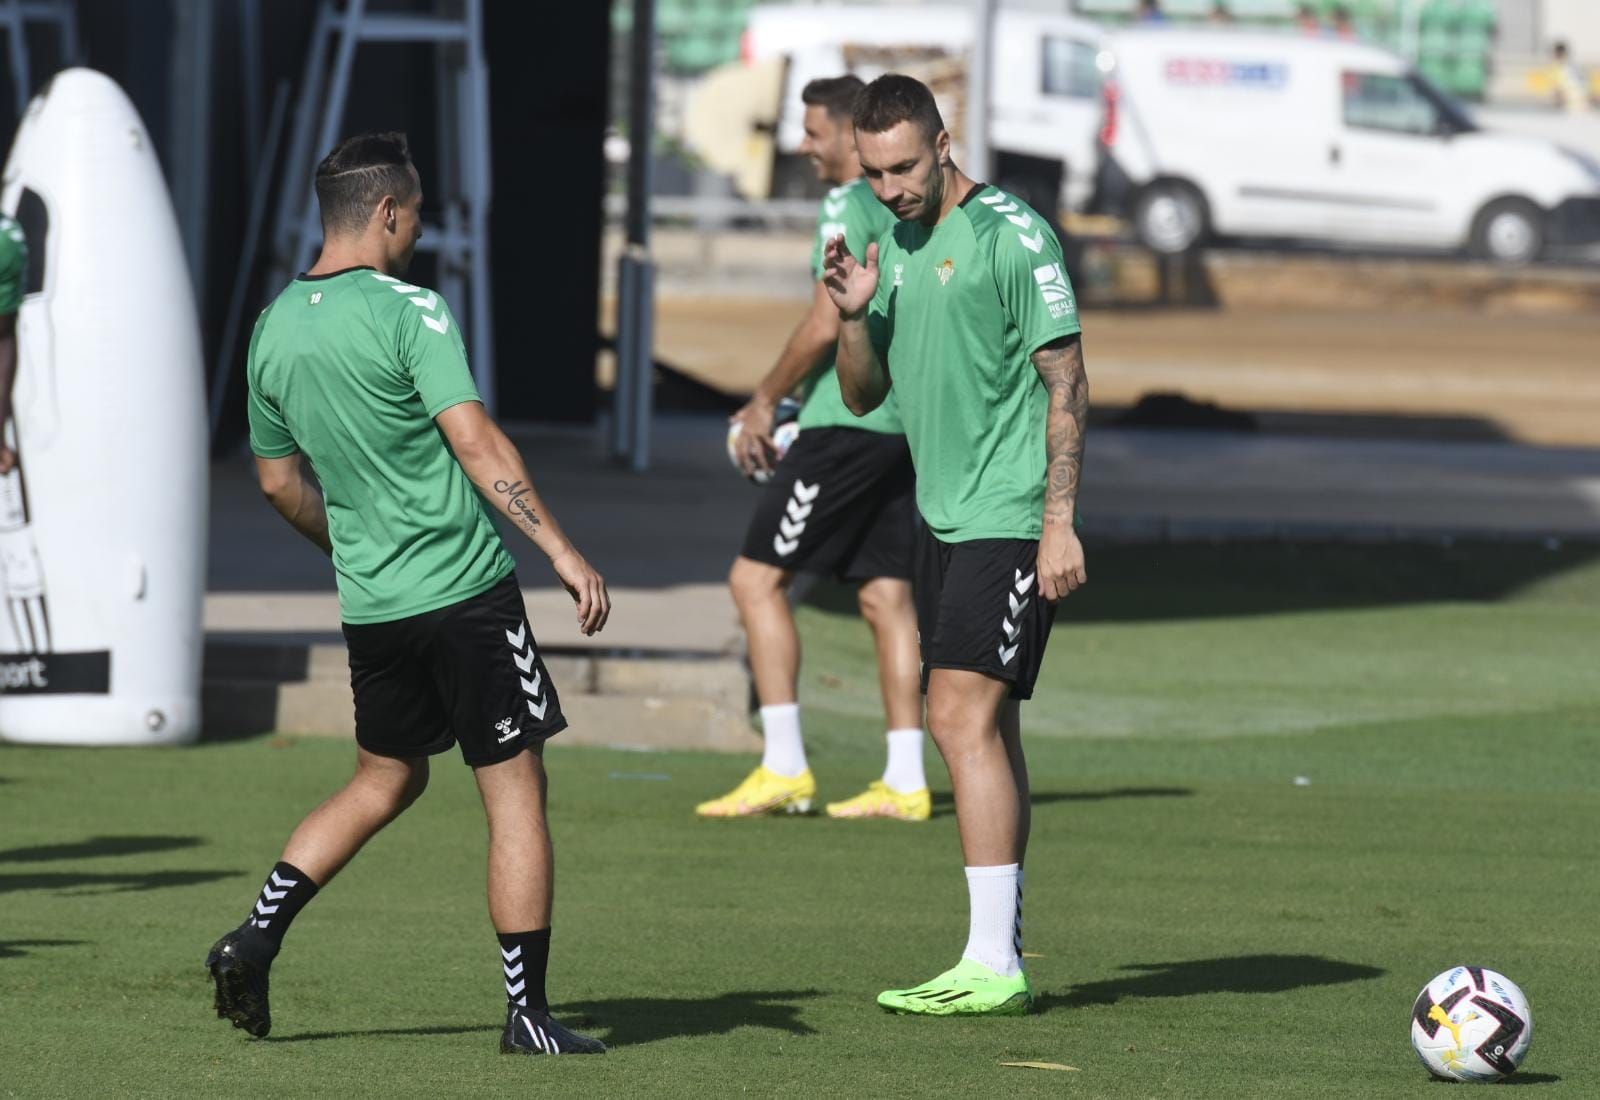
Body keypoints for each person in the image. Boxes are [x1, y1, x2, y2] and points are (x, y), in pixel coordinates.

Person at [206, 132, 612, 1057]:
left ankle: (256, 934)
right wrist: (560, 547)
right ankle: (528, 1016)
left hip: (375, 606)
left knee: (384, 777)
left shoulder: (273, 329)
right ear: (386, 212)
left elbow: (276, 484)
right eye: (417, 214)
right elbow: (475, 441)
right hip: (466, 595)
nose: (420, 231)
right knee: (514, 797)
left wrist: (350, 544)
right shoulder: (411, 311)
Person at [824, 75, 1089, 1016]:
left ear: (944, 144)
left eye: (904, 166)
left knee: (956, 721)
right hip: (943, 518)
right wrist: (854, 316)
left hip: (1010, 519)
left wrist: (1058, 521)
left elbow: (1067, 380)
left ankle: (991, 963)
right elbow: (859, 396)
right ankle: (997, 948)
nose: (891, 187)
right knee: (989, 728)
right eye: (875, 172)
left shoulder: (1011, 235)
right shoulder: (892, 246)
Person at [698, 76, 931, 822]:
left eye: (812, 131)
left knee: (754, 582)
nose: (803, 144)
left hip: (846, 426)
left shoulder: (845, 202)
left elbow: (826, 323)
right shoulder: (899, 204)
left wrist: (767, 400)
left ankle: (784, 767)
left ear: (847, 131)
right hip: (900, 425)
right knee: (886, 596)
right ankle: (904, 780)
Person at [1549, 42, 1594, 113]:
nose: (1555, 56)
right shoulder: (1558, 68)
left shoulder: (1571, 67)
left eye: (1556, 54)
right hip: (1568, 106)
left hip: (1578, 106)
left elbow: (1584, 85)